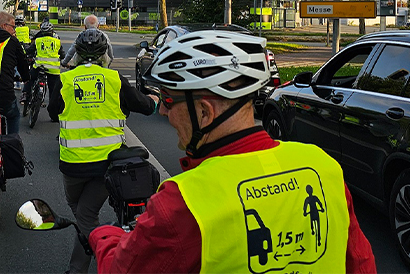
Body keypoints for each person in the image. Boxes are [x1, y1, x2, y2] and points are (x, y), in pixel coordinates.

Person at [89, 30, 376, 273]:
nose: (163, 110)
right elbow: (361, 263)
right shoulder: (322, 167)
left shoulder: (183, 202)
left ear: (204, 112)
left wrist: (105, 235)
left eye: (167, 99)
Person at [59, 28, 159, 273]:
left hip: (73, 165)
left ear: (77, 54)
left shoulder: (65, 80)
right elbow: (144, 106)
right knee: (86, 214)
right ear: (106, 54)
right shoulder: (114, 79)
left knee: (81, 210)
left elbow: (52, 110)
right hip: (109, 164)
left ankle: (77, 268)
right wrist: (154, 100)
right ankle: (107, 244)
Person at [23, 20, 65, 121]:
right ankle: (53, 115)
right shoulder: (57, 42)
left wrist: (24, 48)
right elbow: (63, 55)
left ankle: (26, 96)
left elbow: (29, 51)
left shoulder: (38, 41)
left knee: (29, 79)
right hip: (53, 70)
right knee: (53, 92)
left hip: (39, 68)